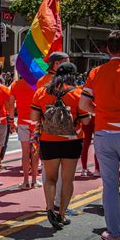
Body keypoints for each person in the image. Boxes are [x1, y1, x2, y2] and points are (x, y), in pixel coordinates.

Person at [31, 62, 90, 230]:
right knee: (67, 179)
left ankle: (50, 209)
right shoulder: (78, 93)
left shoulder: (42, 91)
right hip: (72, 141)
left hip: (48, 140)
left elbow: (34, 117)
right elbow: (86, 120)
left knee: (50, 178)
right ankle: (62, 214)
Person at [80, 30, 120, 240]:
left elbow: (83, 105)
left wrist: (104, 113)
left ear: (108, 49)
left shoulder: (96, 72)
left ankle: (115, 233)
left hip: (104, 133)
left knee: (109, 185)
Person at [9, 75, 41, 188]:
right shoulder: (39, 83)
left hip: (22, 122)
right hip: (36, 121)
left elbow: (11, 104)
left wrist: (11, 121)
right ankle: (34, 180)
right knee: (35, 152)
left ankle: (25, 181)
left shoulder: (15, 85)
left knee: (25, 152)